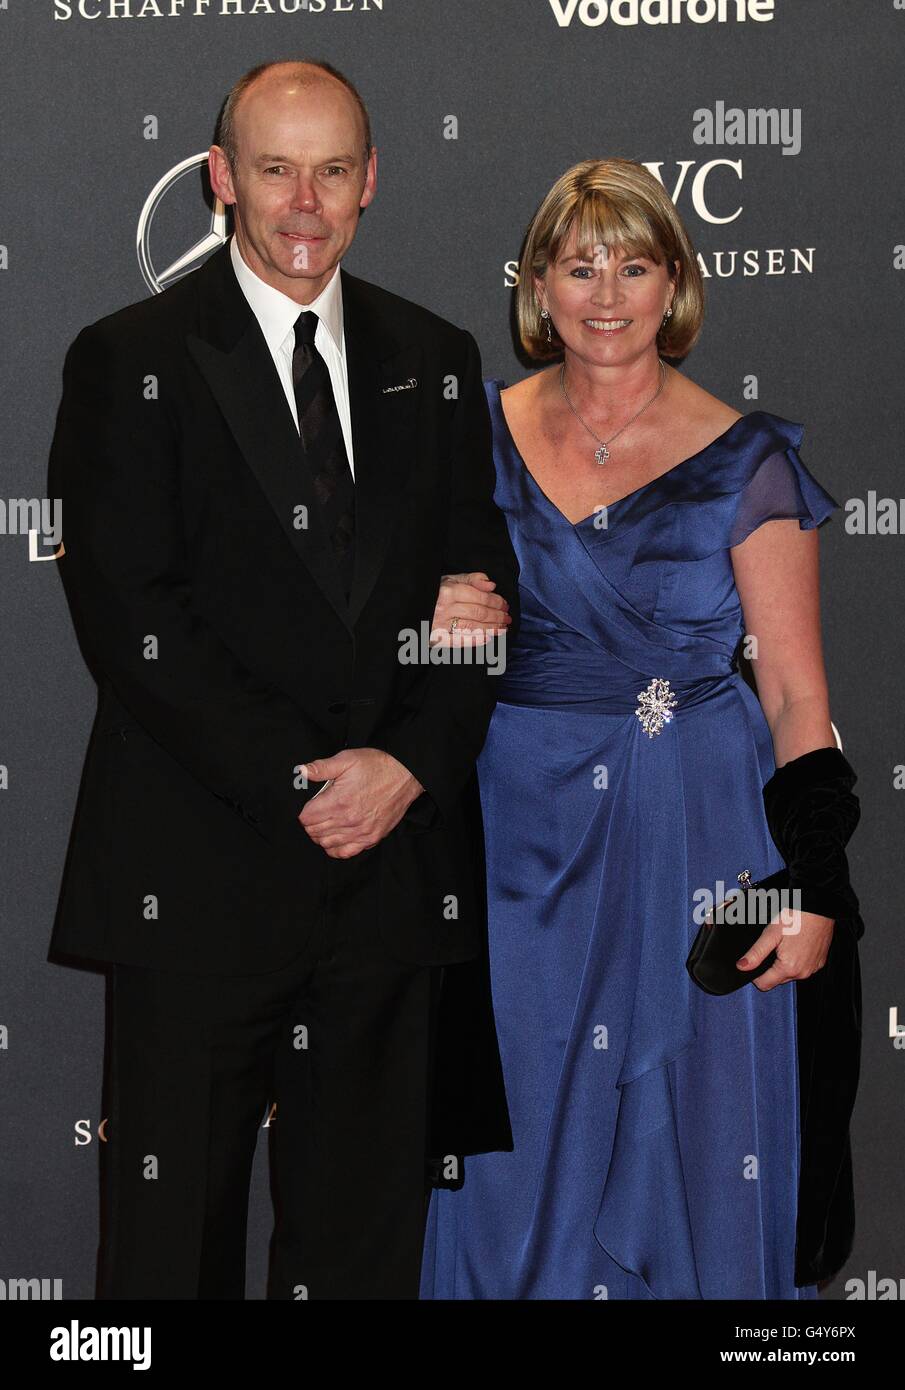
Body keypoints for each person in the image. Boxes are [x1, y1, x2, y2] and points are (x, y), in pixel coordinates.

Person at [47, 59, 519, 1300]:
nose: (302, 203)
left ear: (370, 183)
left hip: (385, 887)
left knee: (363, 1253)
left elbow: (476, 609)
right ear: (221, 181)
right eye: (273, 169)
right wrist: (310, 779)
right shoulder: (127, 357)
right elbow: (130, 617)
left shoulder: (435, 353)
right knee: (164, 1260)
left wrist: (407, 766)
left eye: (330, 170)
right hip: (196, 878)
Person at [420, 158, 863, 1300]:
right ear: (537, 286)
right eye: (578, 266)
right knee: (508, 1137)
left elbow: (794, 696)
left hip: (703, 833)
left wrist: (816, 883)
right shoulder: (466, 432)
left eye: (633, 264)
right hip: (516, 838)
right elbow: (401, 637)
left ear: (674, 284)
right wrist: (429, 622)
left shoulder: (744, 458)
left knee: (695, 1132)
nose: (604, 293)